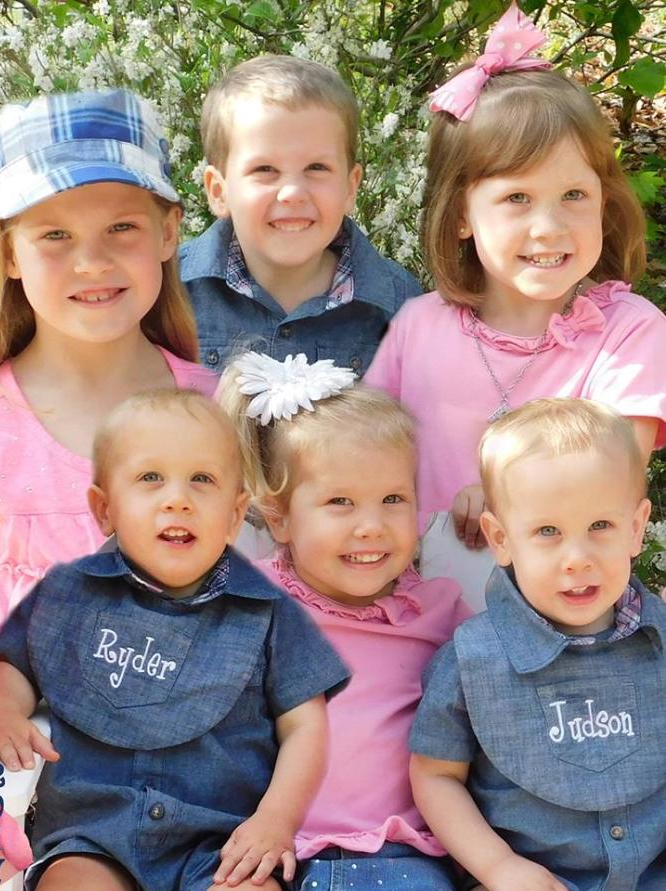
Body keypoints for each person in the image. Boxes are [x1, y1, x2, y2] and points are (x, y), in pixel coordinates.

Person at [0, 389, 350, 891]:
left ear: (235, 516)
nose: (178, 498)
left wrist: (275, 820)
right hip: (91, 836)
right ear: (104, 509)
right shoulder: (67, 595)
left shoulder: (268, 612)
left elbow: (305, 726)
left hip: (221, 842)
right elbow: (12, 666)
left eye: (202, 480)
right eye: (150, 478)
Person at [364, 3, 666, 608]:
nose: (550, 227)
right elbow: (365, 458)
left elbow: (610, 479)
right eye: (518, 198)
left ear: (604, 206)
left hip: (562, 621)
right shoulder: (419, 328)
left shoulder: (627, 334)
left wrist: (506, 499)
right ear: (459, 220)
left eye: (574, 195)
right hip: (410, 612)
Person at [0, 88, 217, 696]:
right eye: (54, 235)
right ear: (10, 254)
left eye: (121, 227)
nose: (91, 262)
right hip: (27, 764)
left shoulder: (218, 410)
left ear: (167, 234)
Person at [220, 352, 471, 891]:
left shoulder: (441, 611)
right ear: (281, 516)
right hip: (265, 845)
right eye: (340, 502)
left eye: (393, 499)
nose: (372, 526)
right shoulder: (250, 601)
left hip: (399, 853)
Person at [409, 398, 665, 891]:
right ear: (501, 539)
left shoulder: (662, 643)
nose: (577, 558)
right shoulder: (473, 660)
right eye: (548, 531)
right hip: (532, 879)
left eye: (600, 527)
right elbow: (435, 776)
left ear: (636, 528)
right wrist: (498, 867)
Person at [179, 54, 422, 376]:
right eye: (265, 169)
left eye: (317, 168)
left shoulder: (399, 303)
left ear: (350, 187)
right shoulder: (171, 290)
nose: (292, 193)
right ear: (218, 191)